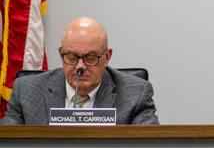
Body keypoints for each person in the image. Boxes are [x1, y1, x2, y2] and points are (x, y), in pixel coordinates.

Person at [2, 17, 159, 125]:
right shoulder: (26, 92)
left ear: (107, 57)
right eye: (71, 57)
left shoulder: (135, 95)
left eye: (90, 58)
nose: (80, 67)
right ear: (61, 54)